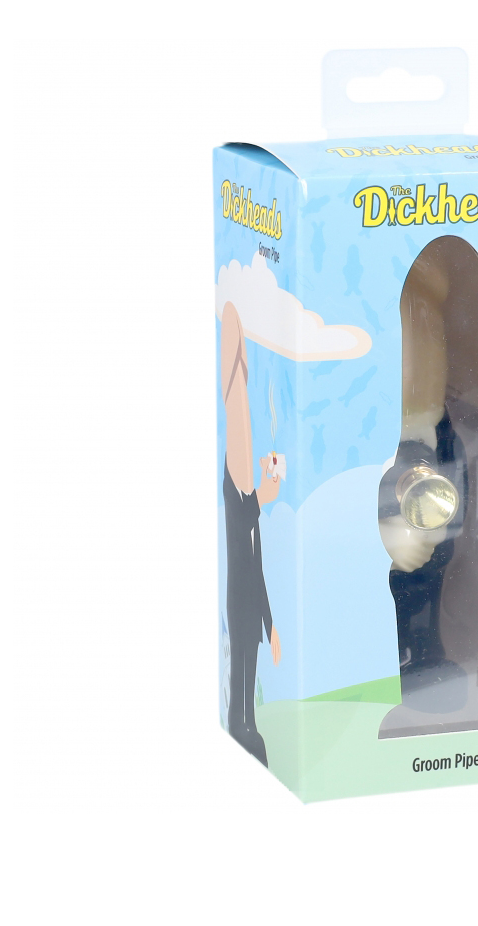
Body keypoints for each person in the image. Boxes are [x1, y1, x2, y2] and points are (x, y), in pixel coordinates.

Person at [221, 302, 281, 766]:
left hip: (251, 606)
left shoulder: (250, 508)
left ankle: (246, 724)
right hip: (241, 604)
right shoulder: (235, 495)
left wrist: (272, 626)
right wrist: (262, 492)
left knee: (250, 666)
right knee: (240, 667)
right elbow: (244, 515)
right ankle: (239, 723)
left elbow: (257, 567)